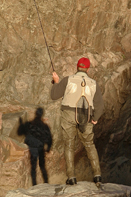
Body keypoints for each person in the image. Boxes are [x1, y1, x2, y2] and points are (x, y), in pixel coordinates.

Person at [51, 57, 104, 187]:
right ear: (88, 68)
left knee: (69, 145)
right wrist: (95, 118)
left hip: (68, 114)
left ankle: (71, 178)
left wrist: (56, 82)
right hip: (86, 115)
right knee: (90, 144)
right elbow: (100, 105)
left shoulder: (67, 80)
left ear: (77, 67)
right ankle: (97, 176)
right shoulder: (93, 83)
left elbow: (54, 95)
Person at [17, 107, 52, 186]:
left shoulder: (29, 124)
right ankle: (46, 183)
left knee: (33, 168)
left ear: (36, 113)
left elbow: (19, 132)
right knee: (42, 166)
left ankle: (34, 185)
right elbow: (49, 137)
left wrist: (21, 124)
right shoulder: (44, 126)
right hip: (40, 148)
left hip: (32, 148)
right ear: (42, 114)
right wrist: (48, 147)